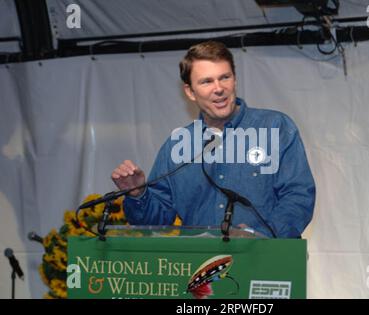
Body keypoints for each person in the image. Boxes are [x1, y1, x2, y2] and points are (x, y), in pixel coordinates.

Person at [111, 41, 315, 238]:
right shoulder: (177, 145)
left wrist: (262, 235)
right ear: (190, 91)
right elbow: (155, 223)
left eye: (224, 77)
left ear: (235, 80)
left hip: (266, 262)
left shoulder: (275, 127)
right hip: (200, 268)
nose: (218, 88)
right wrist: (138, 194)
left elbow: (298, 196)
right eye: (207, 81)